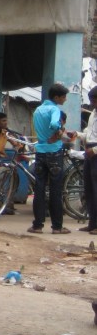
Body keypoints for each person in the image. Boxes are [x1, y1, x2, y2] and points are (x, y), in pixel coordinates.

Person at [28, 83, 70, 234]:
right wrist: (58, 131)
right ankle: (57, 227)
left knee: (39, 188)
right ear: (56, 97)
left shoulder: (38, 110)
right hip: (54, 152)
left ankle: (37, 225)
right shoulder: (54, 109)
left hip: (40, 151)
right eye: (64, 97)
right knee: (55, 189)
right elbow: (53, 123)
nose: (65, 99)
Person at [73, 86, 97, 235]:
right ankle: (92, 223)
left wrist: (94, 150)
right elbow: (88, 133)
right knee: (89, 188)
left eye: (95, 100)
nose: (93, 103)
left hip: (94, 151)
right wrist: (77, 134)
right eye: (92, 100)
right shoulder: (93, 113)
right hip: (89, 151)